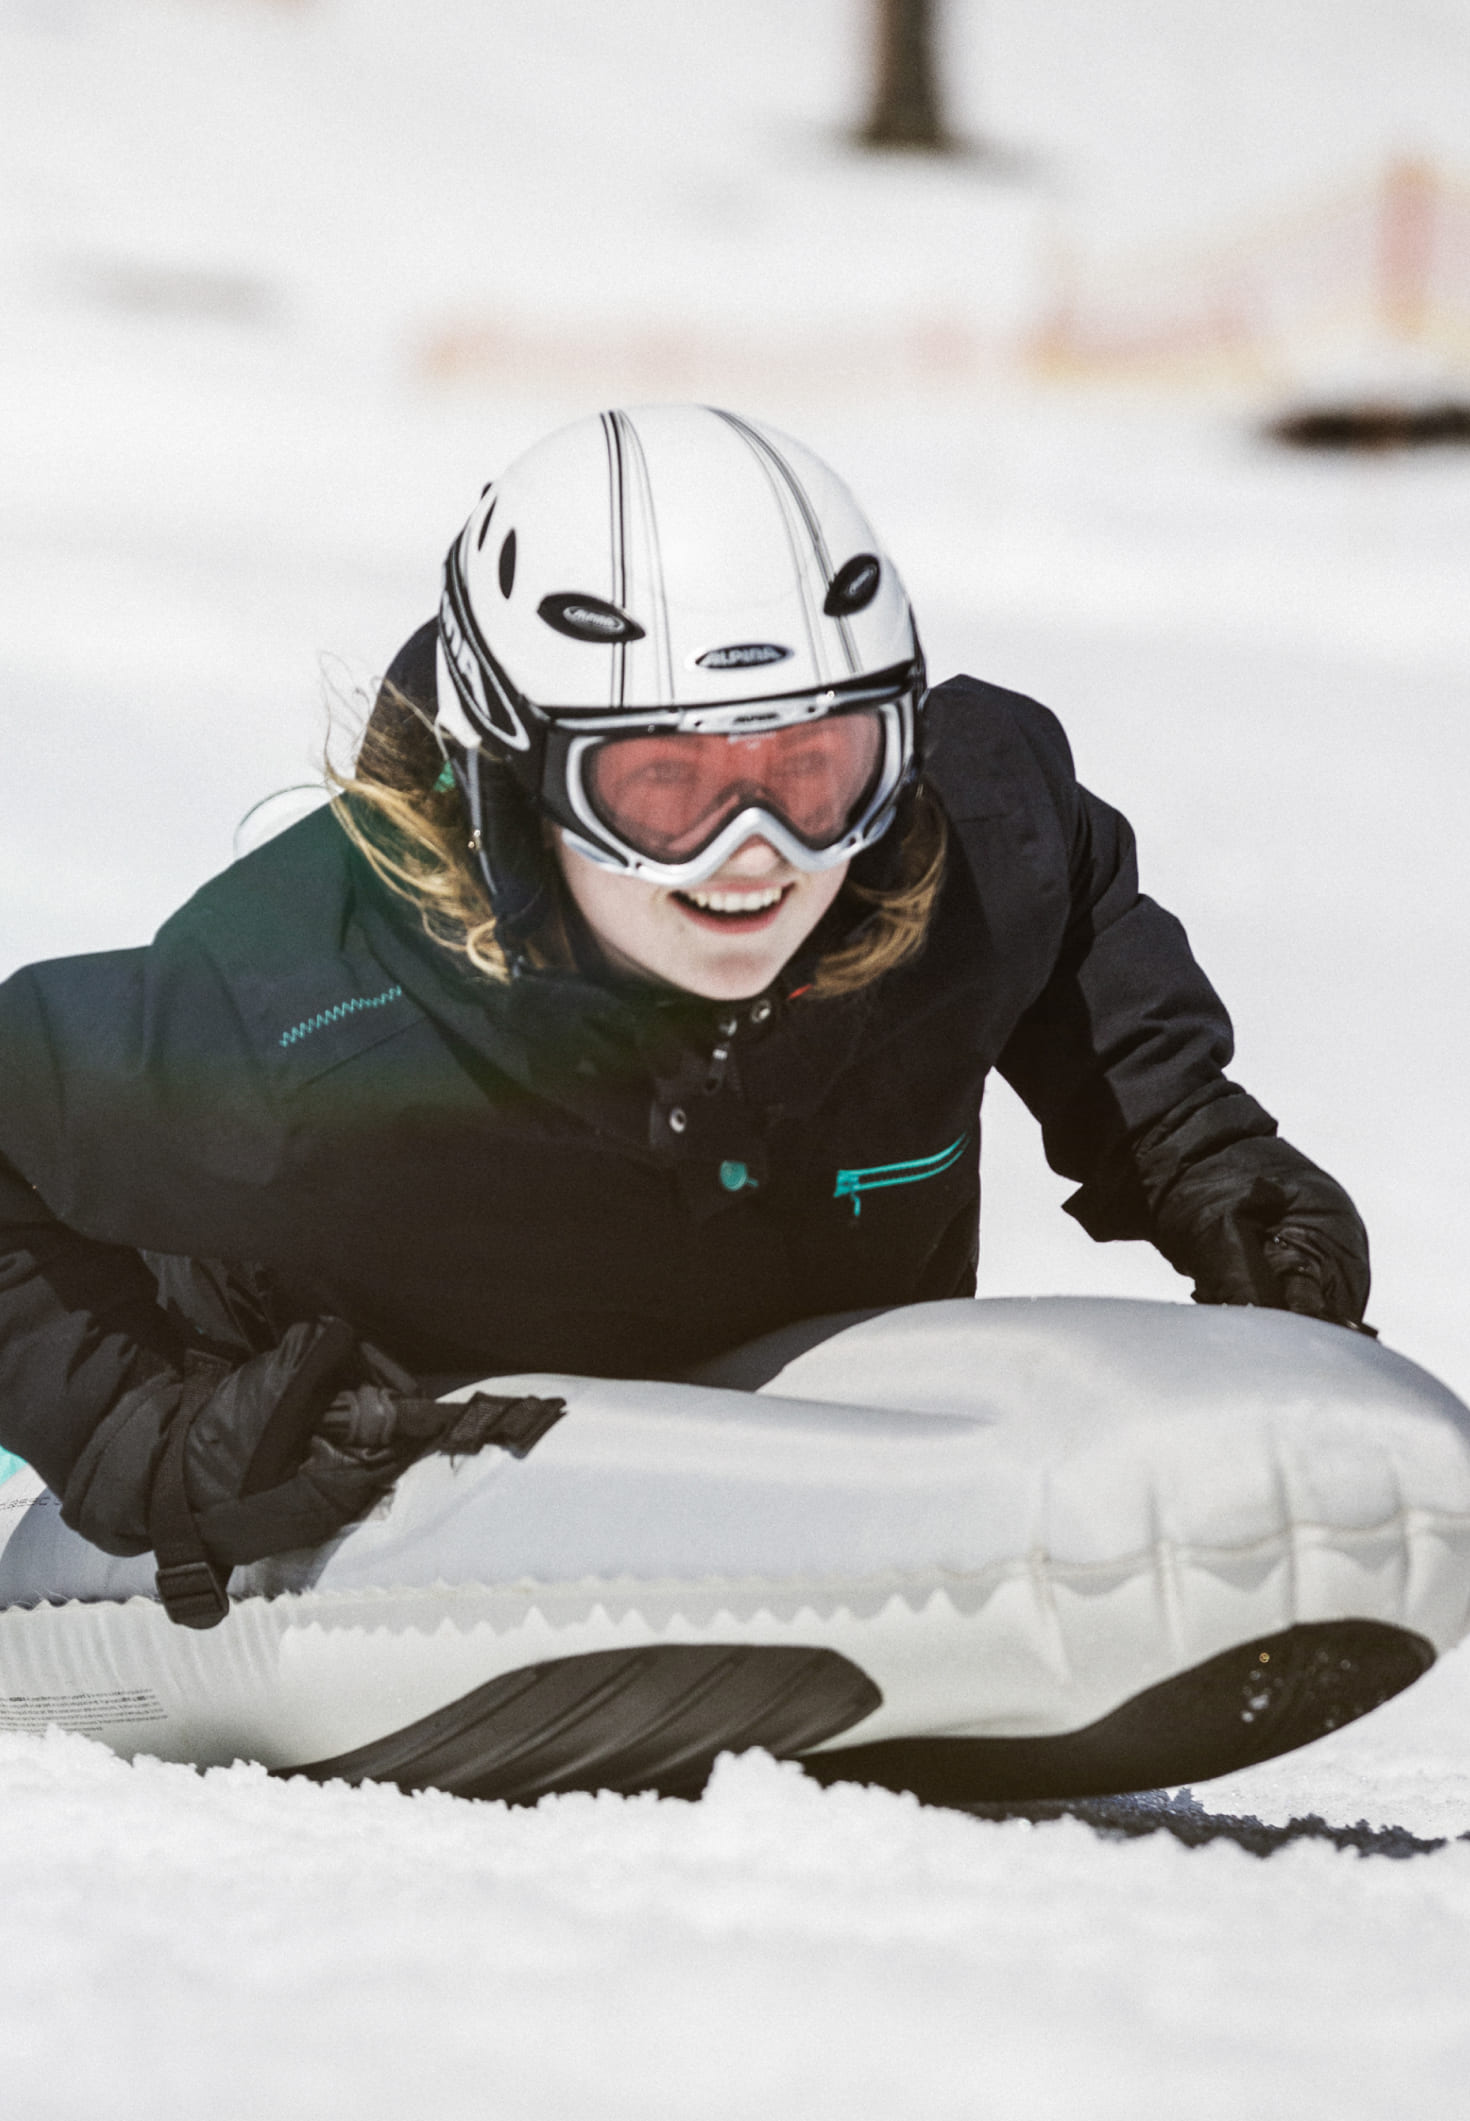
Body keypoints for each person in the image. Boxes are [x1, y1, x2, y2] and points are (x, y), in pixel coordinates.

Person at [0, 403, 1370, 1629]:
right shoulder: (305, 1009)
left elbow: (1055, 871)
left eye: (816, 770)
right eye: (663, 787)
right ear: (517, 780)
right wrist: (145, 1435)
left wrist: (1194, 1146)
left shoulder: (959, 852)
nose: (754, 850)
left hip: (779, 1370)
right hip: (328, 1369)